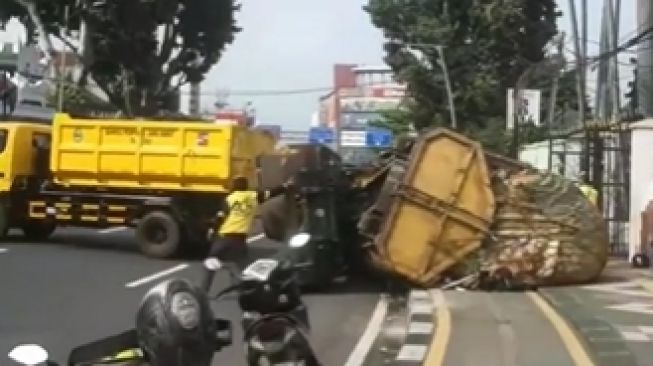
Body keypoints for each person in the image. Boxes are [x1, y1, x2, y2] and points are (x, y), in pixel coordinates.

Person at [209, 176, 293, 272]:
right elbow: (270, 193)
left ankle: (205, 285)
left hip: (224, 236)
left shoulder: (230, 198)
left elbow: (220, 216)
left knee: (211, 260)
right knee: (243, 264)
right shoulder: (253, 196)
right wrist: (285, 186)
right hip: (239, 237)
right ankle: (249, 281)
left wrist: (212, 229)